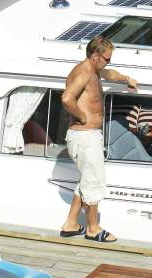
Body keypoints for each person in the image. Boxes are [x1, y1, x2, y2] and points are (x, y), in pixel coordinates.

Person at [58, 37, 141, 242]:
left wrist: (126, 78)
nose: (108, 62)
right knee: (93, 182)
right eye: (107, 59)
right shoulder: (84, 73)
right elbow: (67, 98)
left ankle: (70, 224)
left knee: (86, 180)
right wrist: (82, 116)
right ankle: (93, 229)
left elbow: (108, 73)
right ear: (95, 56)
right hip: (85, 137)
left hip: (87, 137)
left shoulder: (93, 69)